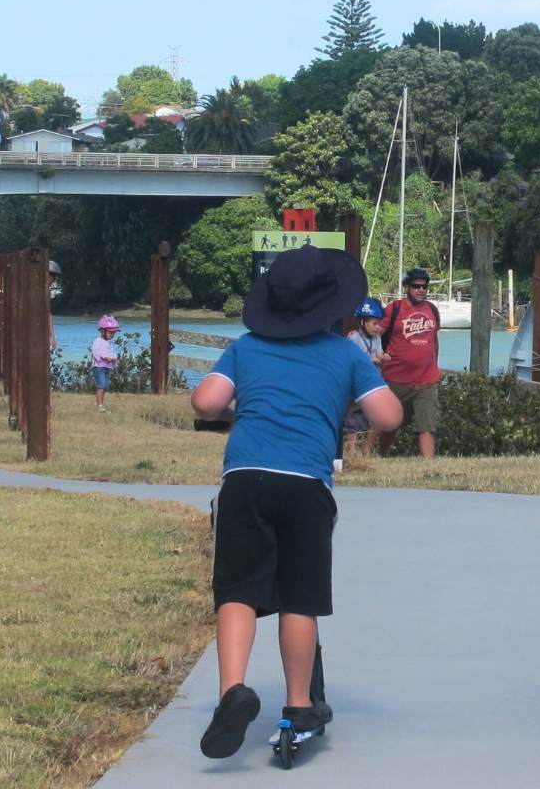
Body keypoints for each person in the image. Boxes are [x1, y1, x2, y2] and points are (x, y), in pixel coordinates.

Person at [190, 245, 403, 759]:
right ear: (331, 306)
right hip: (306, 485)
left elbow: (205, 402)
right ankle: (299, 705)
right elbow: (390, 416)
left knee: (237, 591)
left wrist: (242, 406)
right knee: (298, 599)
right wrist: (343, 405)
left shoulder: (245, 348)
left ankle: (232, 692)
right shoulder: (345, 354)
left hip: (244, 479)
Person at [376, 268, 443, 459]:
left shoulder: (432, 310)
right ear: (406, 288)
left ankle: (429, 466)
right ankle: (380, 457)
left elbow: (434, 341)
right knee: (390, 424)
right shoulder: (394, 309)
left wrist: (435, 366)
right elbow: (375, 335)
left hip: (427, 380)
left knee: (427, 426)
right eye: (416, 286)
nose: (421, 290)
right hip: (396, 379)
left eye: (424, 287)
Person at [342, 299, 389, 462]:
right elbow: (351, 360)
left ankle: (366, 450)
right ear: (363, 322)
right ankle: (351, 452)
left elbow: (379, 353)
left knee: (377, 417)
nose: (378, 327)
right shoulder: (354, 338)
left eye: (378, 324)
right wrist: (372, 361)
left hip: (372, 383)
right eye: (374, 324)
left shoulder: (376, 338)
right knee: (353, 419)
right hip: (357, 385)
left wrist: (384, 357)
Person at [90, 315, 120, 413]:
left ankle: (101, 404)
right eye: (110, 332)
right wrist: (103, 357)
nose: (112, 335)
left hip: (107, 367)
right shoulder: (98, 341)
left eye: (114, 333)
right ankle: (99, 406)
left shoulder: (110, 343)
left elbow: (112, 354)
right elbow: (95, 352)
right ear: (102, 331)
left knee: (105, 385)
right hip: (98, 367)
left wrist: (114, 360)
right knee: (101, 385)